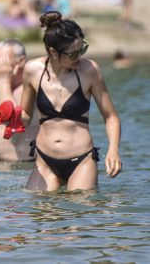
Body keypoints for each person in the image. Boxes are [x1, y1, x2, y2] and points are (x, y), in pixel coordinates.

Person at [12, 12, 121, 191]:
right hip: (45, 161)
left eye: (82, 49)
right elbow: (24, 116)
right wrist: (11, 118)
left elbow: (111, 117)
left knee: (78, 213)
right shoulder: (32, 70)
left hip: (82, 160)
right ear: (53, 52)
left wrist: (113, 150)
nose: (79, 57)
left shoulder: (90, 70)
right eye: (73, 54)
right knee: (39, 214)